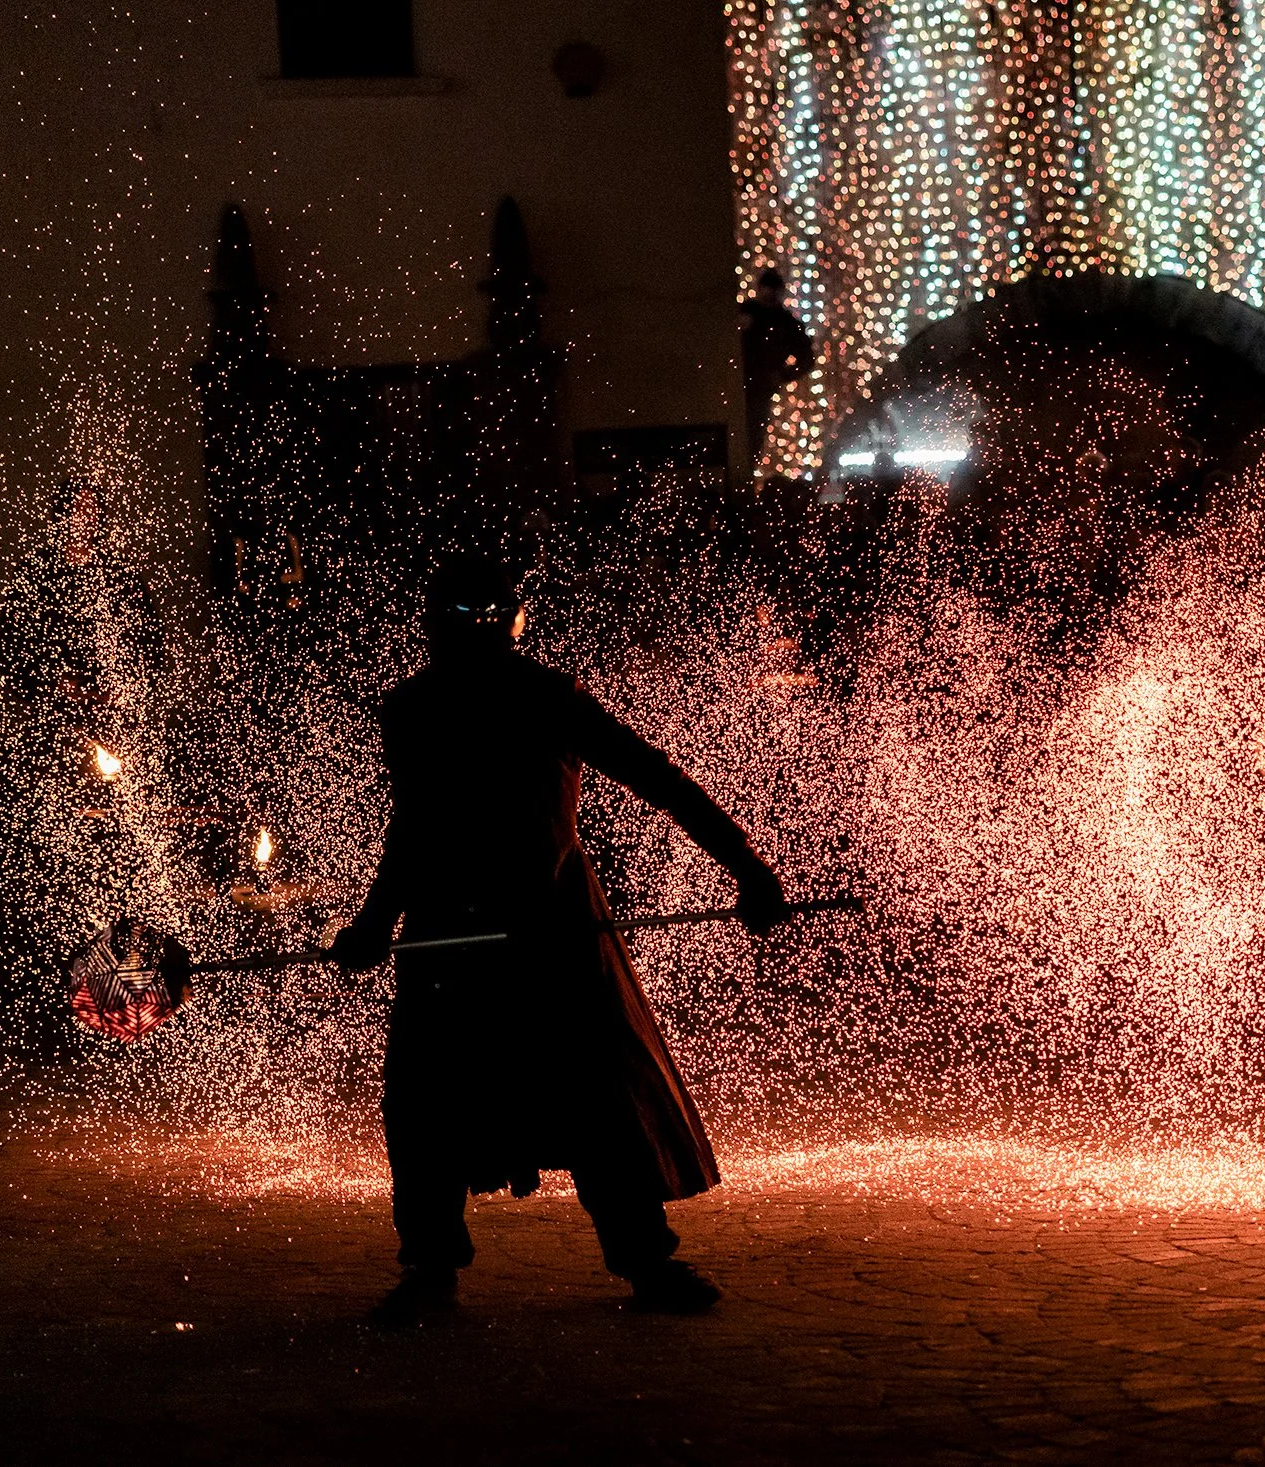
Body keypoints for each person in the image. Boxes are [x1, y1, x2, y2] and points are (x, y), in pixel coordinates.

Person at [330, 555, 794, 1323]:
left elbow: (653, 778)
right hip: (496, 928)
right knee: (442, 1101)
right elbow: (416, 831)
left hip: (531, 928)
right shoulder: (440, 706)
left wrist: (749, 869)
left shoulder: (475, 702)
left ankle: (625, 1258)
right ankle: (592, 1262)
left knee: (567, 1098)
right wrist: (375, 925)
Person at [738, 268, 815, 455]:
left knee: (751, 438)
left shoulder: (784, 322)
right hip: (743, 383)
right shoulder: (748, 313)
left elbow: (806, 358)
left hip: (758, 386)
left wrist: (781, 375)